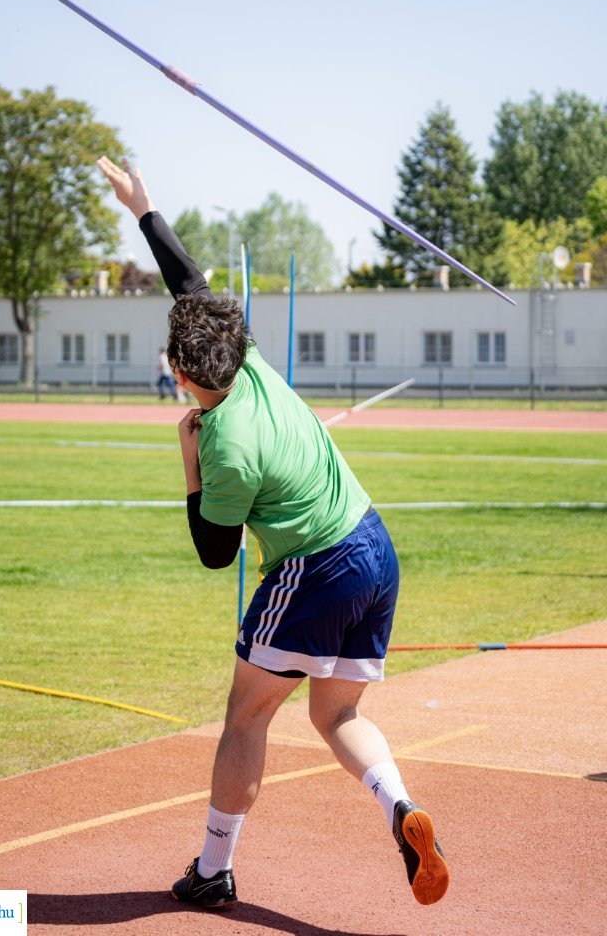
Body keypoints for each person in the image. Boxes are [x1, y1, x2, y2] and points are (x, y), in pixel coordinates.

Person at [97, 156, 449, 910]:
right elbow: (189, 284)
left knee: (247, 714)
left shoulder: (224, 447)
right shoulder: (247, 357)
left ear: (181, 377)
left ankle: (213, 869)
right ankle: (402, 809)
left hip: (317, 568)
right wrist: (144, 207)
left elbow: (215, 552)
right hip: (375, 545)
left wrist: (187, 463)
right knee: (337, 713)